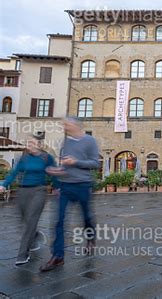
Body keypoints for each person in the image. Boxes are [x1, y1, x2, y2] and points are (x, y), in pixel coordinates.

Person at [40, 117, 100, 272]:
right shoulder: (65, 142)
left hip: (83, 185)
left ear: (76, 125)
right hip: (65, 186)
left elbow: (95, 163)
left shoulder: (89, 141)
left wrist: (76, 162)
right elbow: (64, 165)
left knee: (86, 217)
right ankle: (58, 256)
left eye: (67, 124)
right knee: (59, 221)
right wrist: (57, 171)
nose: (64, 126)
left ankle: (90, 237)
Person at [0, 134, 57, 265]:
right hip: (23, 191)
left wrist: (58, 187)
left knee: (31, 221)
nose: (29, 145)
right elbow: (14, 172)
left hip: (39, 191)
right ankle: (35, 235)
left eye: (32, 143)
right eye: (28, 143)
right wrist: (3, 184)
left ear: (39, 145)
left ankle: (23, 254)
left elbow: (53, 172)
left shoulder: (46, 158)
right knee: (23, 219)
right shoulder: (24, 158)